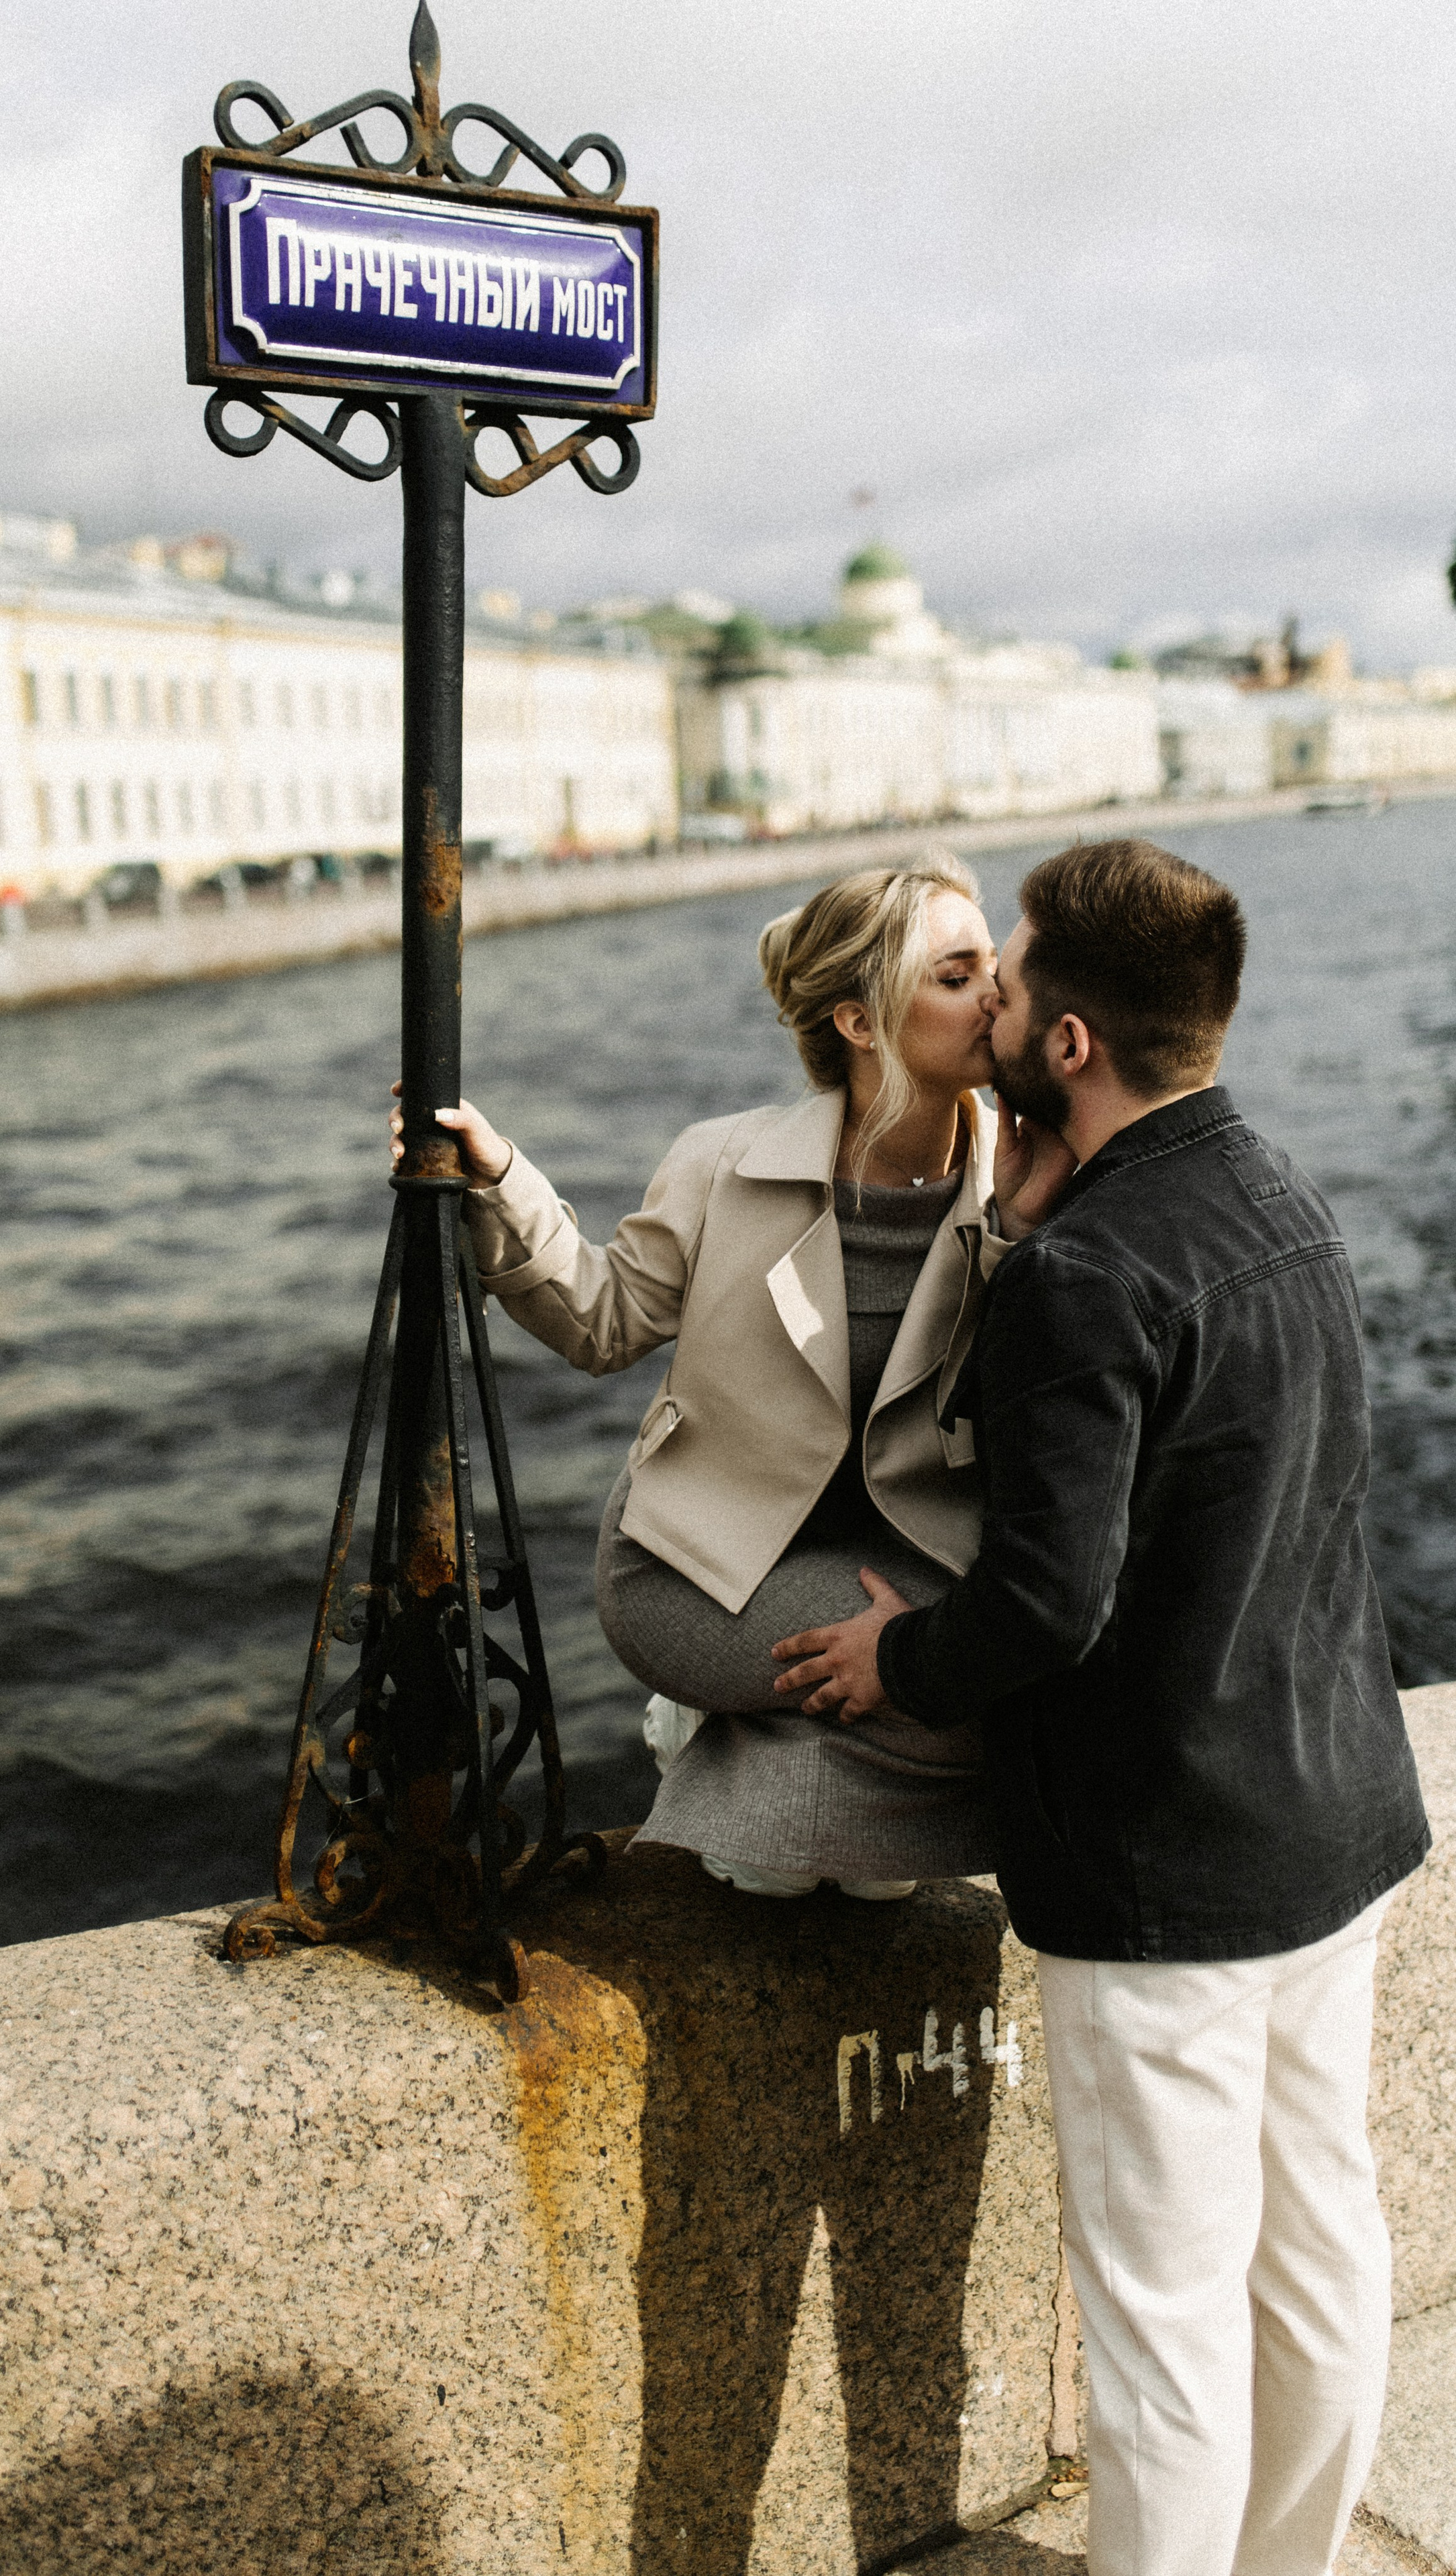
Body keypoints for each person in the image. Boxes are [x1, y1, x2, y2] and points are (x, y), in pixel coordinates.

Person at [772, 839, 1430, 2576]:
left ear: (1066, 1044)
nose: (983, 1001)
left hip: (1169, 1873)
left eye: (1005, 981)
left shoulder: (1086, 1273)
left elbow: (1044, 1603)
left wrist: (896, 1659)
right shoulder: (1278, 1195)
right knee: (1321, 2251)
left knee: (1160, 2325)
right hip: (1334, 1815)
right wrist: (1022, 1227)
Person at [390, 855, 1068, 1898]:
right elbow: (604, 1321)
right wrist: (502, 1181)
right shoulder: (721, 1162)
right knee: (976, 1682)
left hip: (909, 1563)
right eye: (957, 974)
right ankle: (763, 1747)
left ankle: (754, 1769)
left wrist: (1019, 1229)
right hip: (703, 1568)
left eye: (995, 969)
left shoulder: (1019, 1176)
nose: (997, 995)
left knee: (1035, 1665)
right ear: (859, 1021)